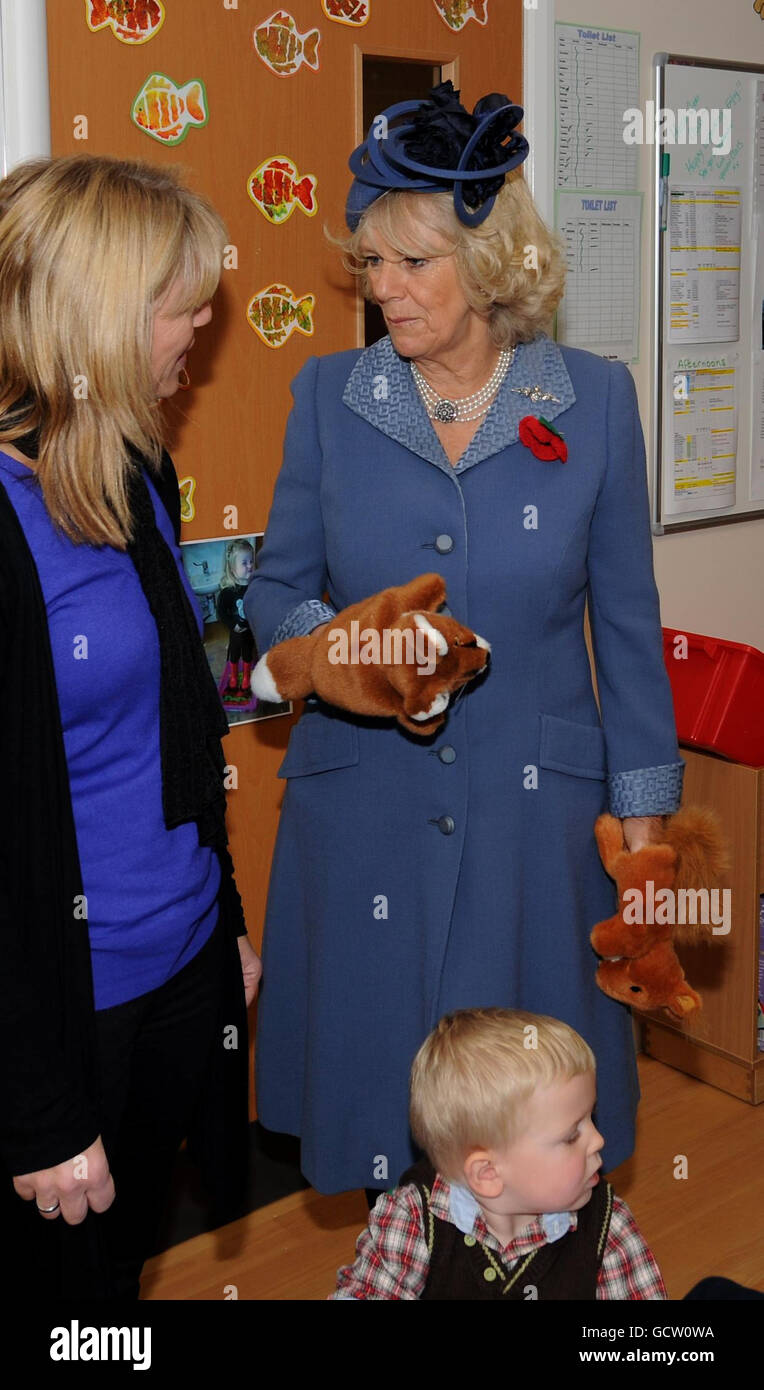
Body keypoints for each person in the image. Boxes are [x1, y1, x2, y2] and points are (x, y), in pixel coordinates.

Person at [244, 82, 684, 1202]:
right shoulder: (327, 397)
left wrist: (644, 843)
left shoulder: (590, 400)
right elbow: (278, 591)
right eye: (371, 263)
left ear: (490, 267)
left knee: (524, 1127)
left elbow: (626, 632)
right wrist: (344, 657)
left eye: (413, 263)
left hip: (532, 827)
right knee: (390, 1117)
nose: (383, 289)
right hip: (365, 814)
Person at [0, 154, 261, 1299]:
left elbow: (185, 732)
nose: (206, 324)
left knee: (118, 1287)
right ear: (100, 315)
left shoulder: (133, 465)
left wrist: (223, 928)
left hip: (178, 971)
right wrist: (35, 1107)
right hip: (60, 1016)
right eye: (183, 301)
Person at [330, 1008, 667, 1299]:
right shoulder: (413, 1221)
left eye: (590, 1119)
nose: (598, 1141)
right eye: (571, 1136)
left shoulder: (607, 1226)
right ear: (488, 1173)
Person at [217, 539, 256, 698]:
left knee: (247, 653)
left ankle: (246, 677)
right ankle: (233, 676)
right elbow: (222, 613)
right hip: (236, 631)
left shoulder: (254, 586)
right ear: (232, 569)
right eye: (244, 563)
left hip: (250, 631)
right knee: (234, 653)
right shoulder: (227, 592)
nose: (250, 566)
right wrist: (233, 625)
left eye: (251, 561)